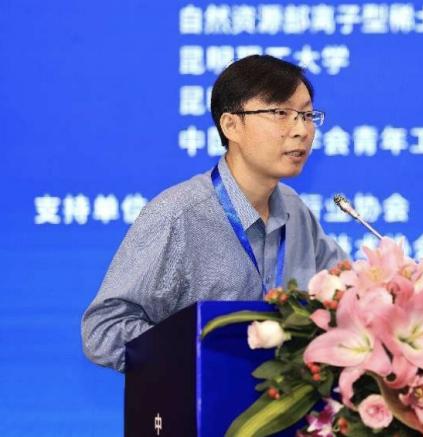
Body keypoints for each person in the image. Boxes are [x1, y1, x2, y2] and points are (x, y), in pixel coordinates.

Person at [81, 55, 349, 372]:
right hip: (200, 400)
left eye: (306, 115)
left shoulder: (295, 210)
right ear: (231, 125)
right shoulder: (178, 215)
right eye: (281, 113)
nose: (301, 130)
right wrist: (204, 358)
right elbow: (104, 329)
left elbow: (348, 293)